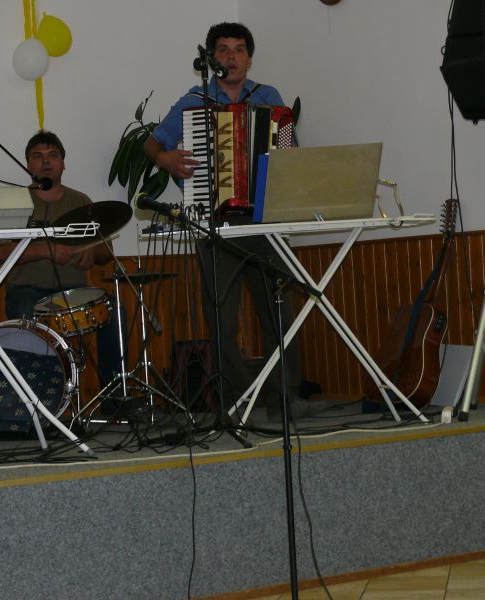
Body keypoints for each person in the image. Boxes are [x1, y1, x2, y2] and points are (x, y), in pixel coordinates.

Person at [144, 22, 319, 421]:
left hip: (264, 220)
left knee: (278, 312)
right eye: (223, 49)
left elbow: (289, 150)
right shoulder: (193, 101)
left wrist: (286, 160)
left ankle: (284, 396)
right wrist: (166, 159)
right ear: (212, 58)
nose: (231, 57)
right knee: (221, 318)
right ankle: (238, 400)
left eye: (239, 49)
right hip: (215, 222)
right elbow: (152, 143)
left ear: (249, 58)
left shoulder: (269, 97)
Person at [0, 130, 126, 411]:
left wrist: (92, 253)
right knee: (24, 312)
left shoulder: (81, 201)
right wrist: (46, 250)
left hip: (74, 293)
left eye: (53, 155)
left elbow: (106, 252)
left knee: (115, 311)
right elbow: (0, 253)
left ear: (63, 163)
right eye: (38, 156)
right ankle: (37, 406)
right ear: (27, 164)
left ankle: (114, 400)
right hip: (27, 291)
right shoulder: (15, 201)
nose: (46, 162)